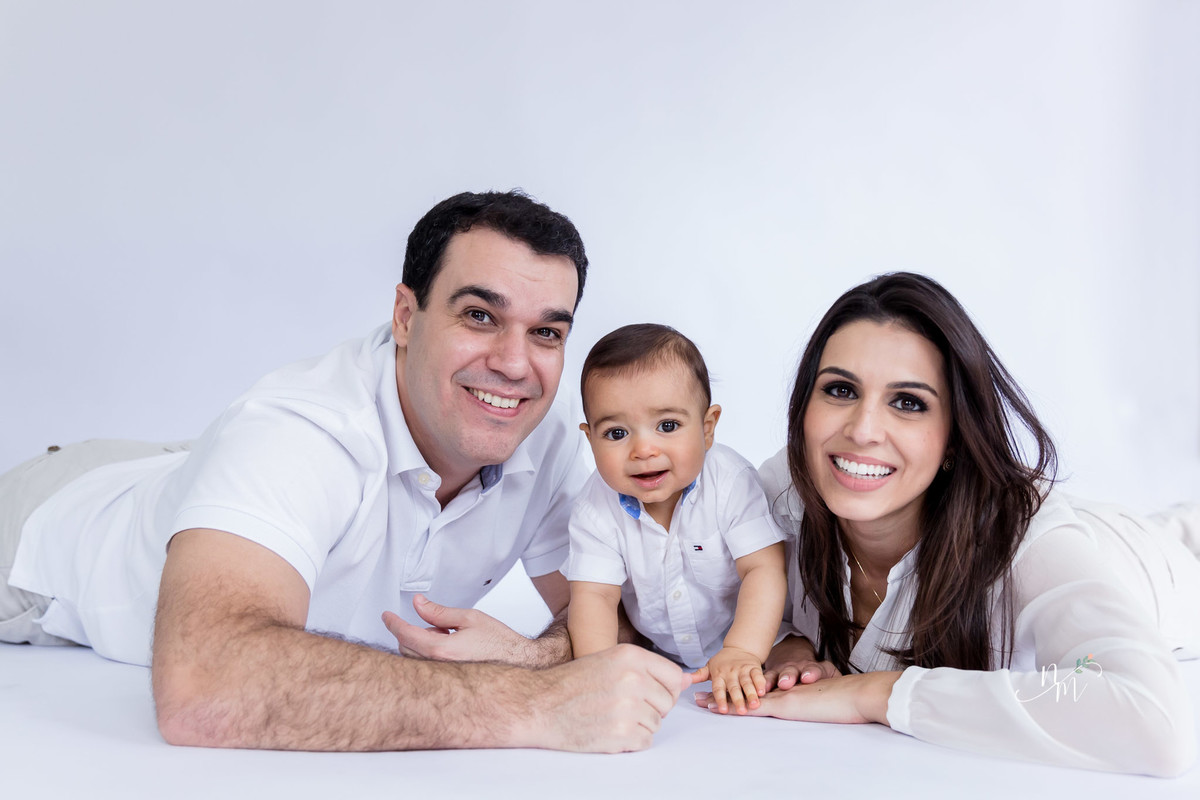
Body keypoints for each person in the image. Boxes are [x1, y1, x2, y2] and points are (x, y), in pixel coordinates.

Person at [1, 190, 690, 753]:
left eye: (546, 332)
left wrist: (533, 656)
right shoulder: (300, 431)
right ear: (404, 316)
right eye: (480, 315)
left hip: (199, 472)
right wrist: (534, 702)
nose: (515, 364)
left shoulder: (548, 437)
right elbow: (205, 684)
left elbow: (620, 613)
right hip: (52, 530)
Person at [696, 272, 1200, 776]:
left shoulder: (1026, 541)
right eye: (841, 389)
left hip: (1172, 556)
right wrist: (787, 642)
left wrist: (875, 693)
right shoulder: (781, 493)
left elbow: (1147, 716)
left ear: (955, 438)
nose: (862, 430)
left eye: (908, 402)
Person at [565, 324, 787, 715]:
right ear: (590, 439)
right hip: (661, 653)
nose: (644, 450)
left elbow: (763, 568)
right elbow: (594, 597)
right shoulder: (593, 509)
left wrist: (742, 650)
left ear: (707, 428)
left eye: (667, 426)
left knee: (793, 653)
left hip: (755, 641)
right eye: (616, 433)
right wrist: (597, 674)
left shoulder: (731, 482)